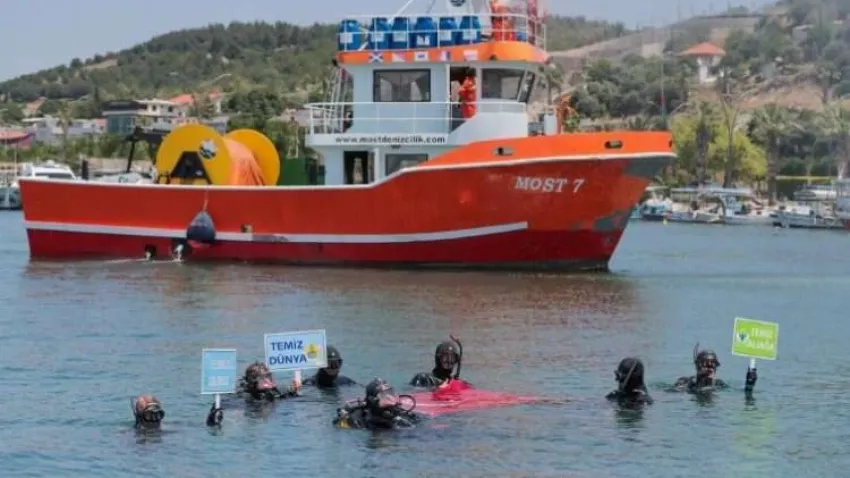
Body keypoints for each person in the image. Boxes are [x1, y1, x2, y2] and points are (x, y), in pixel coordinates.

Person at [206, 361, 301, 426]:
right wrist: (215, 411)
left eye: (268, 377)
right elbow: (227, 406)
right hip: (250, 417)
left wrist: (294, 391)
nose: (267, 381)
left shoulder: (277, 392)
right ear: (251, 381)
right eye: (262, 378)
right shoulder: (242, 396)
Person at [333, 378, 421, 430]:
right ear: (373, 401)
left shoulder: (403, 415)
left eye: (391, 394)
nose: (390, 400)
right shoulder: (358, 421)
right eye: (384, 397)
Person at [673, 347, 758, 395]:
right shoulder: (685, 382)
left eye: (713, 365)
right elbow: (672, 392)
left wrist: (749, 384)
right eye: (705, 365)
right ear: (697, 366)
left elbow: (743, 393)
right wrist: (699, 386)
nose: (710, 368)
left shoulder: (719, 384)